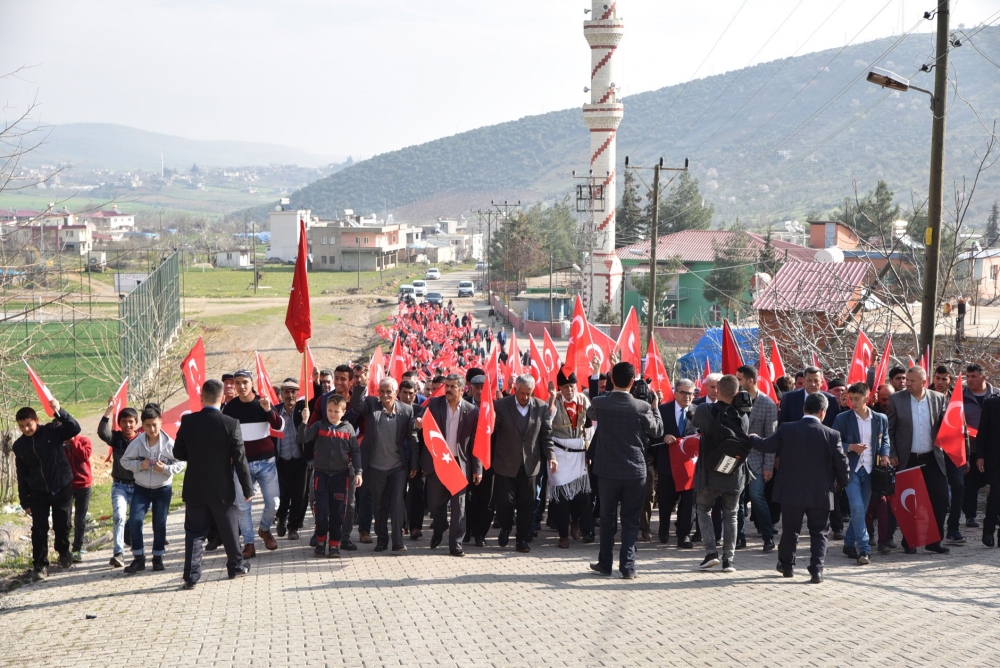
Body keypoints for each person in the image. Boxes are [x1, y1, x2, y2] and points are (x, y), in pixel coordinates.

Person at [751, 392, 849, 583]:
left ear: (804, 409)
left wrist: (752, 438)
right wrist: (842, 484)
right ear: (823, 412)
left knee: (790, 530)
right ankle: (817, 570)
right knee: (820, 532)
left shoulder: (787, 428)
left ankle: (786, 566)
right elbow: (842, 465)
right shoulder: (832, 435)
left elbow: (767, 445)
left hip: (791, 490)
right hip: (821, 491)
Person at [174, 379, 253, 589]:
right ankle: (235, 566)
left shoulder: (188, 421)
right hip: (222, 488)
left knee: (194, 532)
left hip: (195, 487)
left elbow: (178, 453)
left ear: (202, 397)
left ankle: (191, 576)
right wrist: (247, 488)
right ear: (222, 398)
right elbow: (240, 459)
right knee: (228, 528)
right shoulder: (230, 423)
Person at [587, 362, 663, 579]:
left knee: (607, 517)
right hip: (634, 471)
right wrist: (655, 407)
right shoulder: (642, 407)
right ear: (632, 382)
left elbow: (592, 415)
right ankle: (627, 567)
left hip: (607, 472)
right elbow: (657, 430)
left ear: (611, 378)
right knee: (630, 521)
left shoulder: (600, 402)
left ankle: (605, 563)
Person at [13, 399, 81, 581]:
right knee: (39, 529)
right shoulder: (19, 446)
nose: (26, 429)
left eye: (29, 424)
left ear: (36, 419)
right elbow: (22, 474)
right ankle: (40, 565)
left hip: (62, 485)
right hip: (38, 492)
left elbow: (74, 428)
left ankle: (63, 550)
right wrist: (24, 501)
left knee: (63, 525)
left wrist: (60, 411)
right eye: (22, 427)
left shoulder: (52, 431)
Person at [350, 375, 418, 553]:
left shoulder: (406, 410)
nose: (386, 395)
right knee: (379, 505)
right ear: (378, 392)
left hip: (398, 467)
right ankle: (382, 540)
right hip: (375, 467)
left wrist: (414, 464)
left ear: (396, 393)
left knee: (397, 502)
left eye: (389, 392)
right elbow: (356, 405)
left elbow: (412, 440)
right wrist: (361, 385)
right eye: (382, 391)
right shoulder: (372, 404)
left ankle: (398, 542)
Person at [886, 366, 950, 555]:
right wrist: (892, 452)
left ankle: (934, 541)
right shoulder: (897, 399)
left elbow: (946, 427)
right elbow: (889, 430)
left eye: (912, 380)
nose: (907, 383)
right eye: (906, 380)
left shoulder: (938, 398)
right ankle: (909, 541)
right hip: (908, 459)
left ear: (923, 382)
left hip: (932, 458)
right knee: (910, 502)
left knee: (940, 499)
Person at [223, 369, 284, 558]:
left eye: (245, 382)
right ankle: (249, 543)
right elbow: (225, 435)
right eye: (237, 382)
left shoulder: (263, 403)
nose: (241, 386)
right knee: (243, 506)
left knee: (274, 503)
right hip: (242, 466)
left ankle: (264, 529)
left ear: (252, 383)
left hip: (267, 462)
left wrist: (269, 410)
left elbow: (279, 427)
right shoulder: (230, 408)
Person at [490, 374, 555, 553]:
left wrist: (552, 456)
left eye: (529, 393)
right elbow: (492, 430)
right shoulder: (501, 405)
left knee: (527, 504)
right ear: (515, 390)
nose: (525, 397)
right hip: (505, 463)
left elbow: (546, 435)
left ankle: (521, 539)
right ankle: (505, 527)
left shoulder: (541, 407)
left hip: (530, 464)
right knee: (504, 502)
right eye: (522, 393)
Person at [691, 375, 748, 573]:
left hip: (710, 472)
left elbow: (694, 424)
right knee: (731, 515)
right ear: (737, 392)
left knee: (703, 509)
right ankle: (728, 561)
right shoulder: (743, 416)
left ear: (718, 390)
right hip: (733, 474)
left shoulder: (704, 410)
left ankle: (710, 553)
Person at [120, 404, 184, 574]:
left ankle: (158, 557)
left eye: (155, 424)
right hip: (141, 488)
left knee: (160, 523)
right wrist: (140, 465)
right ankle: (139, 558)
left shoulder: (169, 443)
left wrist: (165, 469)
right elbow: (124, 461)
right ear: (143, 426)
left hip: (162, 489)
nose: (152, 428)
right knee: (135, 521)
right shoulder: (137, 442)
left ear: (161, 423)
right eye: (147, 425)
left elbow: (181, 462)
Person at [832, 383, 890, 565]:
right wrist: (851, 447)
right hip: (851, 470)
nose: (853, 402)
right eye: (851, 398)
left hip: (871, 470)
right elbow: (833, 443)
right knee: (857, 508)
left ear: (867, 398)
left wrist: (886, 454)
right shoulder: (842, 418)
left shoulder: (880, 419)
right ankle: (864, 549)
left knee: (861, 511)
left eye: (857, 399)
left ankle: (848, 543)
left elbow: (885, 438)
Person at [299, 394, 363, 558]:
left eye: (336, 411)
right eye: (329, 410)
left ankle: (334, 545)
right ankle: (321, 541)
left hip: (341, 476)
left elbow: (355, 452)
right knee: (321, 511)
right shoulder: (319, 425)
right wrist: (304, 422)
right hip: (321, 475)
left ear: (343, 411)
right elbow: (303, 438)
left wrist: (358, 472)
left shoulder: (348, 429)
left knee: (337, 513)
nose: (332, 414)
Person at [423, 373, 480, 556]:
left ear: (462, 389)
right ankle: (440, 528)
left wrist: (477, 468)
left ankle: (456, 544)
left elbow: (476, 443)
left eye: (453, 386)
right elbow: (422, 424)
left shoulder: (472, 411)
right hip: (439, 462)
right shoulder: (434, 404)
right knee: (434, 504)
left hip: (459, 464)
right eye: (447, 386)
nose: (448, 389)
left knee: (459, 506)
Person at [546, 369, 593, 549]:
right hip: (559, 454)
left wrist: (589, 451)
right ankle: (562, 535)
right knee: (560, 498)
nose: (569, 390)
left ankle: (576, 522)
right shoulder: (554, 400)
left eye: (572, 386)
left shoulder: (583, 400)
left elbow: (589, 427)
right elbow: (547, 420)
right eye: (565, 387)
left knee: (580, 496)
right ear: (560, 388)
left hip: (579, 453)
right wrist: (551, 398)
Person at [736, 365, 778, 552]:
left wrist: (768, 466)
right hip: (737, 460)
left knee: (757, 497)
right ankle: (739, 537)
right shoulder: (735, 401)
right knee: (737, 500)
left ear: (750, 381)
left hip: (757, 462)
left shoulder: (767, 404)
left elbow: (771, 439)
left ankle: (768, 537)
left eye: (740, 379)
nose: (737, 383)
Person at [654, 378, 698, 548]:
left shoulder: (698, 412)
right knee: (666, 501)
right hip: (668, 464)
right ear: (675, 392)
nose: (687, 396)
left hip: (689, 467)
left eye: (691, 393)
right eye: (684, 393)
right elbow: (652, 431)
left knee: (688, 502)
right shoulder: (663, 410)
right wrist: (662, 436)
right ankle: (664, 528)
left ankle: (683, 535)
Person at [98, 403, 140, 568]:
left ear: (135, 423)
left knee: (136, 519)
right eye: (124, 422)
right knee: (119, 517)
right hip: (120, 486)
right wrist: (108, 409)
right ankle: (118, 553)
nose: (127, 425)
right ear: (119, 423)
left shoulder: (141, 440)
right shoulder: (116, 438)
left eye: (131, 421)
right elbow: (102, 432)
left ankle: (137, 549)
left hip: (139, 487)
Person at [964, 364, 998, 530]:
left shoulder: (996, 396)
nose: (969, 380)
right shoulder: (961, 397)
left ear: (984, 377)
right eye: (968, 376)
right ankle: (970, 515)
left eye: (973, 376)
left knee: (995, 486)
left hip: (992, 450)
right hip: (970, 448)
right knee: (971, 484)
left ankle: (994, 515)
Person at [274, 378, 308, 542]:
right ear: (281, 393)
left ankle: (293, 527)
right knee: (282, 494)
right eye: (286, 391)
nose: (289, 395)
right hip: (281, 460)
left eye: (293, 391)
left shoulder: (304, 409)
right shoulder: (274, 412)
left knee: (299, 496)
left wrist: (315, 383)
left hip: (301, 460)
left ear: (298, 393)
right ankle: (281, 517)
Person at [466, 372, 496, 546]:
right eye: (476, 387)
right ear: (470, 388)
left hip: (488, 460)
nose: (479, 391)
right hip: (467, 460)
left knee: (487, 500)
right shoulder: (463, 404)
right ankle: (468, 529)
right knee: (469, 499)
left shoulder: (494, 407)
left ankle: (480, 534)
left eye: (483, 388)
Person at [64, 431, 93, 563]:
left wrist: (73, 441)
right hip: (66, 486)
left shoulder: (83, 441)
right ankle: (64, 551)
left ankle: (77, 549)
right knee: (65, 519)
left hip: (84, 485)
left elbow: (84, 456)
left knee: (80, 519)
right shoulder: (57, 446)